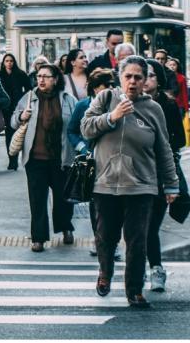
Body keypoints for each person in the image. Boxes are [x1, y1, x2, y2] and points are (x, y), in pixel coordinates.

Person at [81, 56, 179, 309]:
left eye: (138, 77)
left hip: (141, 185)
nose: (133, 82)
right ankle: (105, 273)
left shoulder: (153, 109)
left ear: (145, 80)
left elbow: (164, 149)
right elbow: (86, 128)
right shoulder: (105, 98)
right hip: (105, 183)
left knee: (137, 240)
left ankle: (134, 290)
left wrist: (171, 184)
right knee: (105, 236)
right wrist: (112, 117)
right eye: (128, 76)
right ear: (120, 77)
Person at [10, 64, 77, 252]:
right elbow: (13, 121)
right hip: (35, 158)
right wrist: (21, 116)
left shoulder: (67, 99)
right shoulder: (29, 98)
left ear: (55, 79)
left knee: (63, 198)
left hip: (61, 158)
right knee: (37, 199)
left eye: (46, 76)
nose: (41, 80)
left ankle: (65, 227)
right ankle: (38, 238)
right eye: (39, 76)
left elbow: (76, 124)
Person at [66, 68, 120, 260]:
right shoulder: (83, 105)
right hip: (92, 163)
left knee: (115, 203)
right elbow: (72, 130)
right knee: (96, 204)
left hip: (115, 161)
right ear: (95, 88)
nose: (110, 89)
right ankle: (99, 240)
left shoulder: (117, 105)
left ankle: (112, 242)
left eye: (112, 85)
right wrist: (82, 148)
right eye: (105, 86)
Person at [143, 59, 187, 292]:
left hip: (160, 173)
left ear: (159, 80)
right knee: (135, 226)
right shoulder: (128, 103)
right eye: (142, 74)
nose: (145, 80)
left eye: (150, 75)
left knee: (150, 226)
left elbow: (180, 139)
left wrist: (160, 145)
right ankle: (138, 267)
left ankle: (156, 269)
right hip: (134, 173)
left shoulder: (168, 105)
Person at [0, 53, 32, 170]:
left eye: (11, 61)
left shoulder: (20, 74)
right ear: (3, 62)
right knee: (9, 134)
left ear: (14, 62)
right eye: (7, 61)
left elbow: (29, 89)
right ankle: (12, 160)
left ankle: (19, 159)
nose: (9, 63)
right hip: (5, 108)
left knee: (19, 133)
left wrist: (22, 99)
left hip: (18, 107)